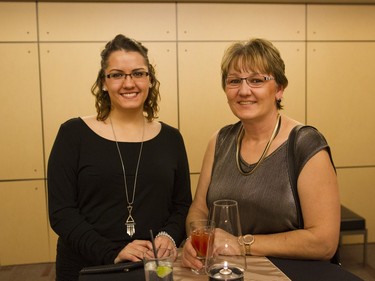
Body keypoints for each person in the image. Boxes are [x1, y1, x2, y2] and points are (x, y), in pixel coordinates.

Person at [181, 38, 340, 270]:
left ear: (279, 89)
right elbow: (199, 209)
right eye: (234, 81)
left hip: (293, 273)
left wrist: (241, 244)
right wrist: (198, 239)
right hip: (226, 270)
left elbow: (324, 242)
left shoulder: (305, 144)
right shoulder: (219, 141)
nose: (244, 91)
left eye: (256, 80)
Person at [47, 34, 192, 281]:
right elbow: (62, 212)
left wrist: (167, 236)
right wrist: (113, 252)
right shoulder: (73, 134)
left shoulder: (171, 138)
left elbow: (181, 205)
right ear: (104, 82)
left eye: (138, 73)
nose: (128, 83)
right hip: (86, 268)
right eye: (117, 74)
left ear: (150, 80)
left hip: (153, 267)